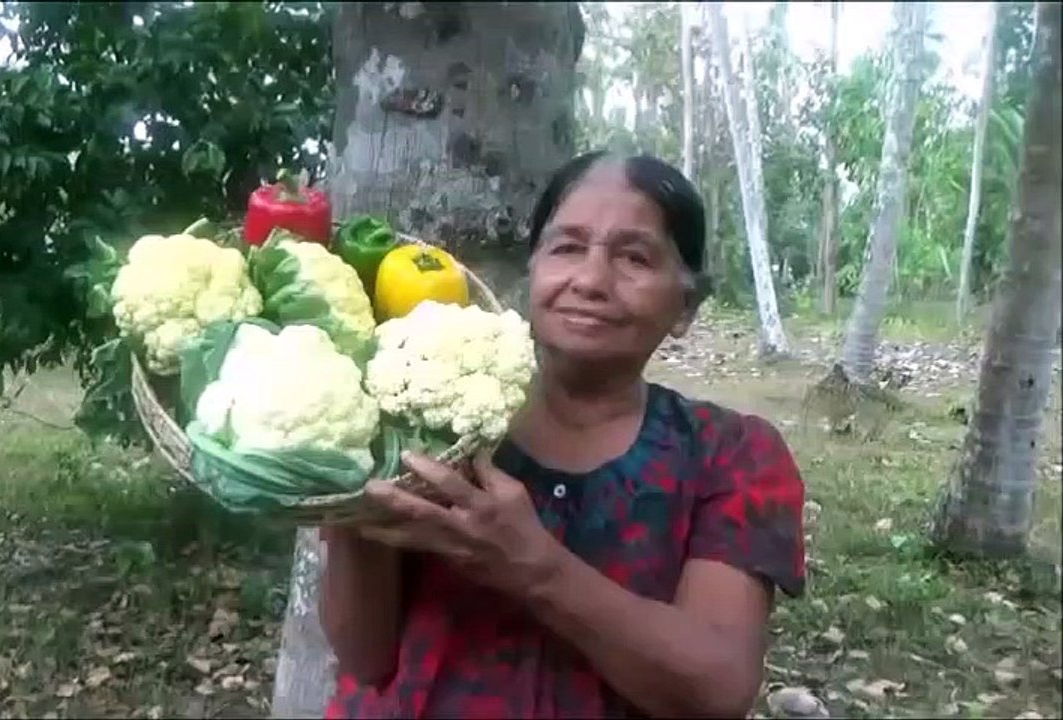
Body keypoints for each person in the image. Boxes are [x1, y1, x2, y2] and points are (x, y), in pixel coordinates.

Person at [319, 151, 807, 719]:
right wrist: (356, 505)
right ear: (533, 272)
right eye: (567, 247)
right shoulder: (423, 425)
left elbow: (716, 690)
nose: (591, 280)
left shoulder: (734, 455)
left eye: (635, 257)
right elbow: (364, 657)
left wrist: (535, 567)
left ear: (686, 307)